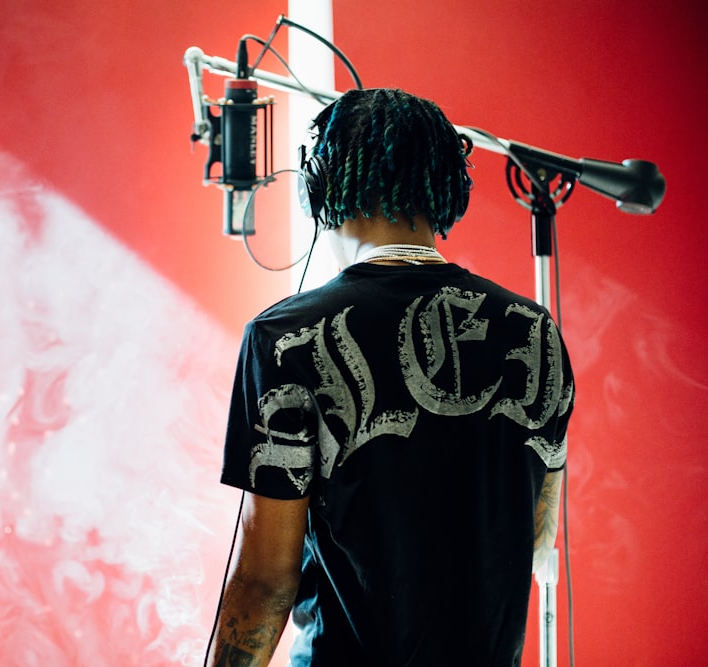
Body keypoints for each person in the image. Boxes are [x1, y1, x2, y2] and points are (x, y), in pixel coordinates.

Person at [206, 88, 574, 666]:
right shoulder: (534, 333)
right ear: (447, 187)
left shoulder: (286, 339)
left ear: (321, 186)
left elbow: (265, 580)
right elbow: (537, 536)